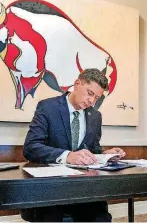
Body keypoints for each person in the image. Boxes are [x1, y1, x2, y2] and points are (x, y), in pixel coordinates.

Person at [21, 68, 126, 222]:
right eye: (90, 93)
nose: (92, 101)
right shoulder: (48, 107)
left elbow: (93, 148)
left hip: (86, 190)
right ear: (77, 84)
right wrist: (67, 156)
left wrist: (105, 154)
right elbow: (31, 147)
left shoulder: (95, 116)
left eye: (96, 97)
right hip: (52, 189)